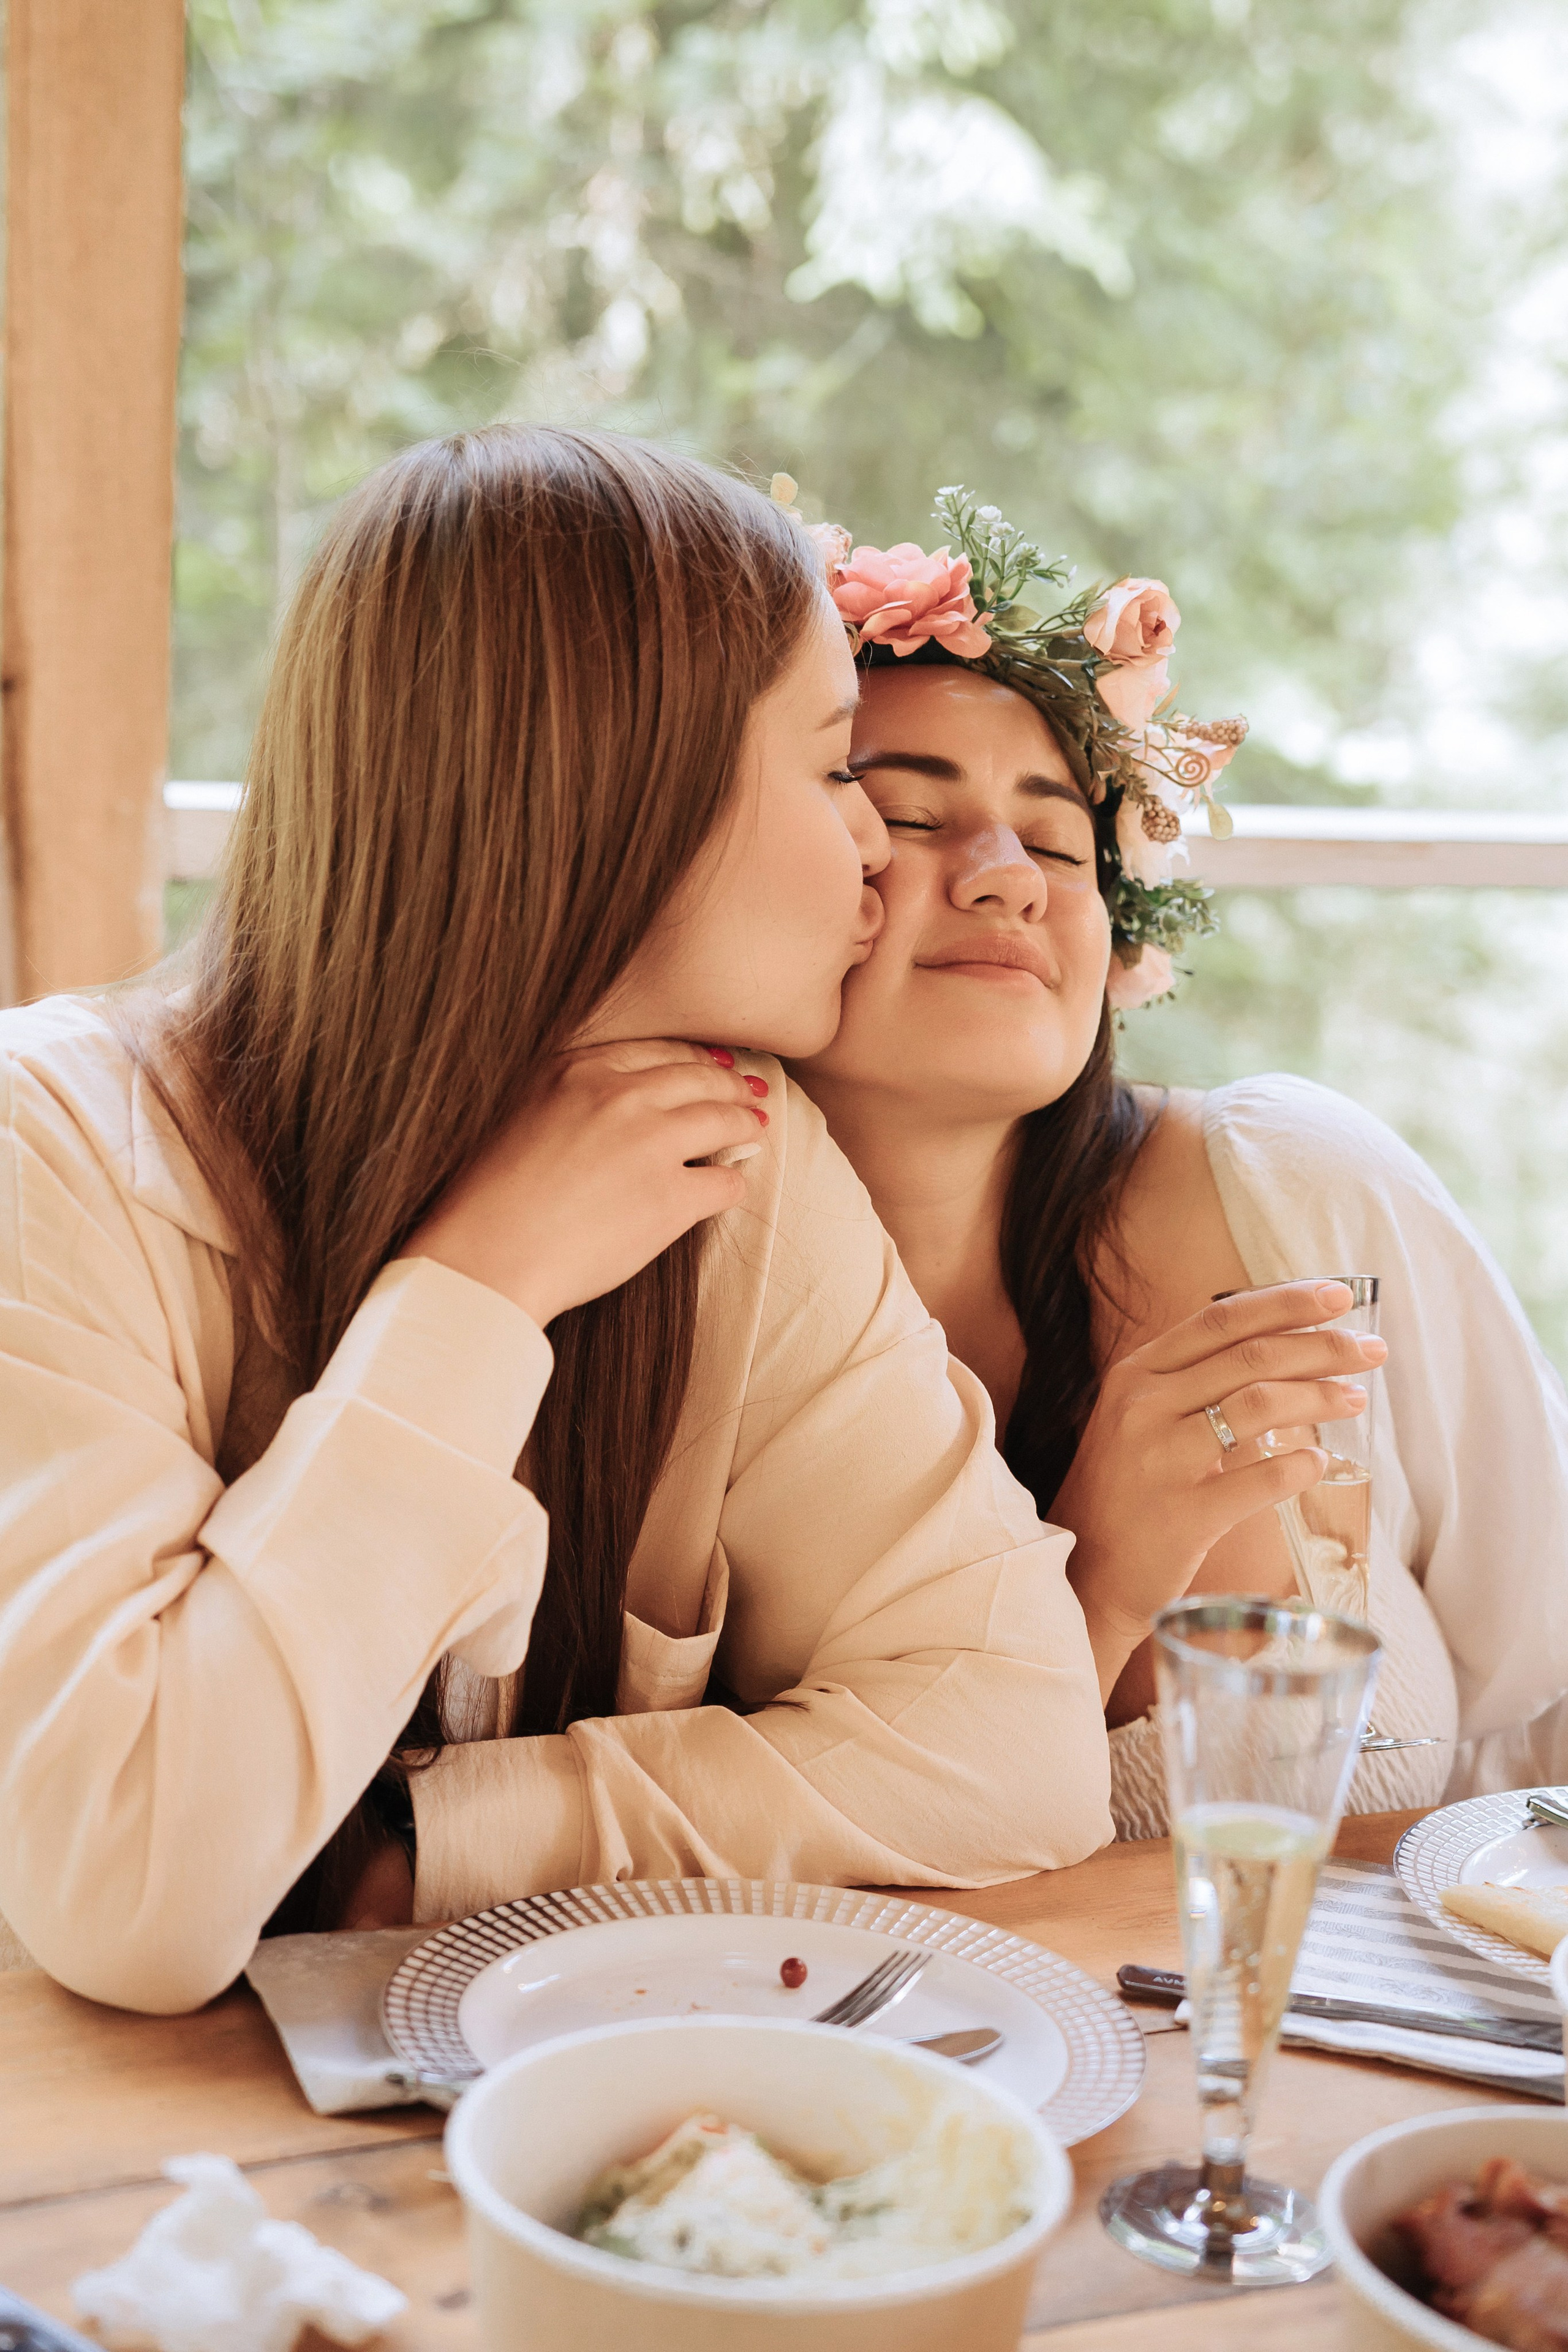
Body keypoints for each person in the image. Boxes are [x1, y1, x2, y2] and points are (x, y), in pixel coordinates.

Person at [0, 428, 1137, 2013]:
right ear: (620, 798)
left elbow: (1016, 1743)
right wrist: (474, 1292)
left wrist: (436, 1845)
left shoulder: (734, 1158)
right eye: (834, 770)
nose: (875, 848)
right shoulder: (50, 1148)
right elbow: (134, 1896)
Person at [792, 489, 1568, 1836]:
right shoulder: (669, 1313)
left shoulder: (1295, 1190)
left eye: (1056, 840)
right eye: (909, 817)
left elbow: (1546, 1683)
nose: (1008, 877)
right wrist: (1094, 1578)